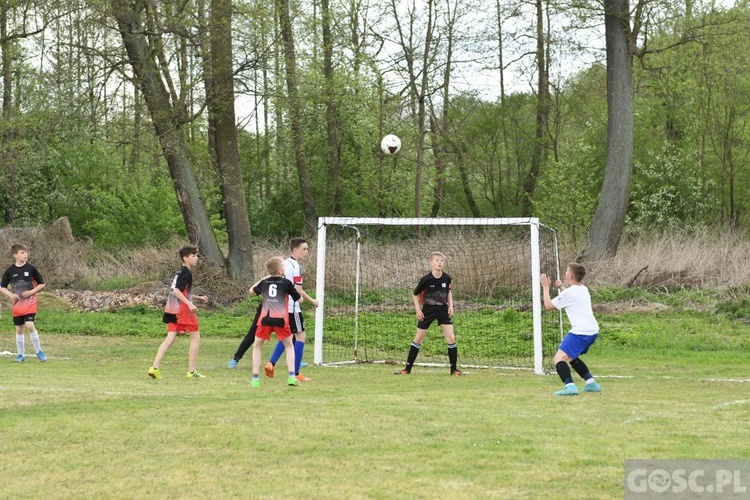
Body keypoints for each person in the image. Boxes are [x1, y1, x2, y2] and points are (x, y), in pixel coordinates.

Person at [395, 251, 462, 376]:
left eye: (442, 261)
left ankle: (454, 370)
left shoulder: (447, 278)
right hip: (428, 310)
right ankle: (407, 369)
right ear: (431, 263)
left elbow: (448, 292)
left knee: (451, 338)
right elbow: (415, 295)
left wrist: (451, 306)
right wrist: (418, 310)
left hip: (442, 310)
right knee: (418, 339)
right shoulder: (426, 279)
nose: (440, 263)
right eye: (437, 260)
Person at [148, 245, 208, 380]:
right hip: (182, 311)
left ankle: (154, 367)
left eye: (196, 255)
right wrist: (190, 303)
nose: (196, 258)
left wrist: (197, 298)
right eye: (193, 256)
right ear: (185, 258)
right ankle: (192, 372)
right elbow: (176, 291)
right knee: (195, 338)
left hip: (171, 309)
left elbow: (178, 291)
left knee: (169, 338)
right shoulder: (186, 272)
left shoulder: (179, 272)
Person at [541, 262, 601, 396]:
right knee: (572, 357)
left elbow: (549, 306)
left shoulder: (569, 293)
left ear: (571, 276)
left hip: (581, 333)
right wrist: (561, 287)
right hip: (592, 331)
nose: (565, 273)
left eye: (567, 272)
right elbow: (571, 296)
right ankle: (591, 383)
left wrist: (545, 287)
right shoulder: (583, 289)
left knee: (559, 359)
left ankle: (570, 387)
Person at [263, 237, 319, 382]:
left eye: (307, 249)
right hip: (293, 309)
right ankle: (296, 373)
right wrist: (312, 301)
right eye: (304, 249)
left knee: (287, 338)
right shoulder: (295, 266)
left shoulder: (284, 263)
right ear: (295, 250)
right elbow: (298, 290)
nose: (306, 252)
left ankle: (271, 363)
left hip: (280, 307)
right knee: (300, 337)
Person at [249, 256, 302, 387]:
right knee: (289, 346)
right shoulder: (286, 283)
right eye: (283, 267)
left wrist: (263, 279)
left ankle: (255, 379)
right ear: (279, 271)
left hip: (265, 320)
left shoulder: (265, 283)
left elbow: (251, 291)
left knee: (257, 347)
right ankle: (291, 377)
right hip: (280, 320)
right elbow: (299, 299)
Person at [0, 244, 47, 363]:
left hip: (30, 303)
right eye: (22, 253)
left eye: (26, 252)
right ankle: (21, 355)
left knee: (30, 325)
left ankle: (39, 351)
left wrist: (31, 292)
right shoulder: (10, 270)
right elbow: (2, 287)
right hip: (17, 306)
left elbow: (42, 284)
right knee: (19, 329)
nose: (25, 254)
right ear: (15, 255)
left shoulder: (31, 268)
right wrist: (10, 295)